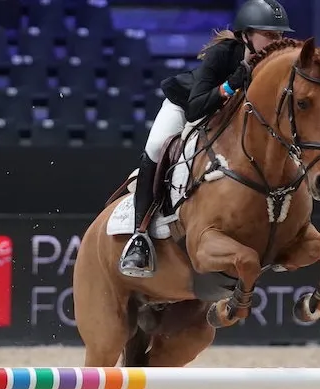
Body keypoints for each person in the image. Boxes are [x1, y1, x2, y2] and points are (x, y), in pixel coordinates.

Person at [117, 0, 294, 278]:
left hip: (225, 120)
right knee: (154, 148)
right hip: (187, 106)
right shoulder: (224, 54)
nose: (278, 41)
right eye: (270, 35)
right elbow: (195, 108)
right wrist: (234, 81)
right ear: (246, 35)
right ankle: (139, 237)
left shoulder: (274, 67)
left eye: (280, 36)